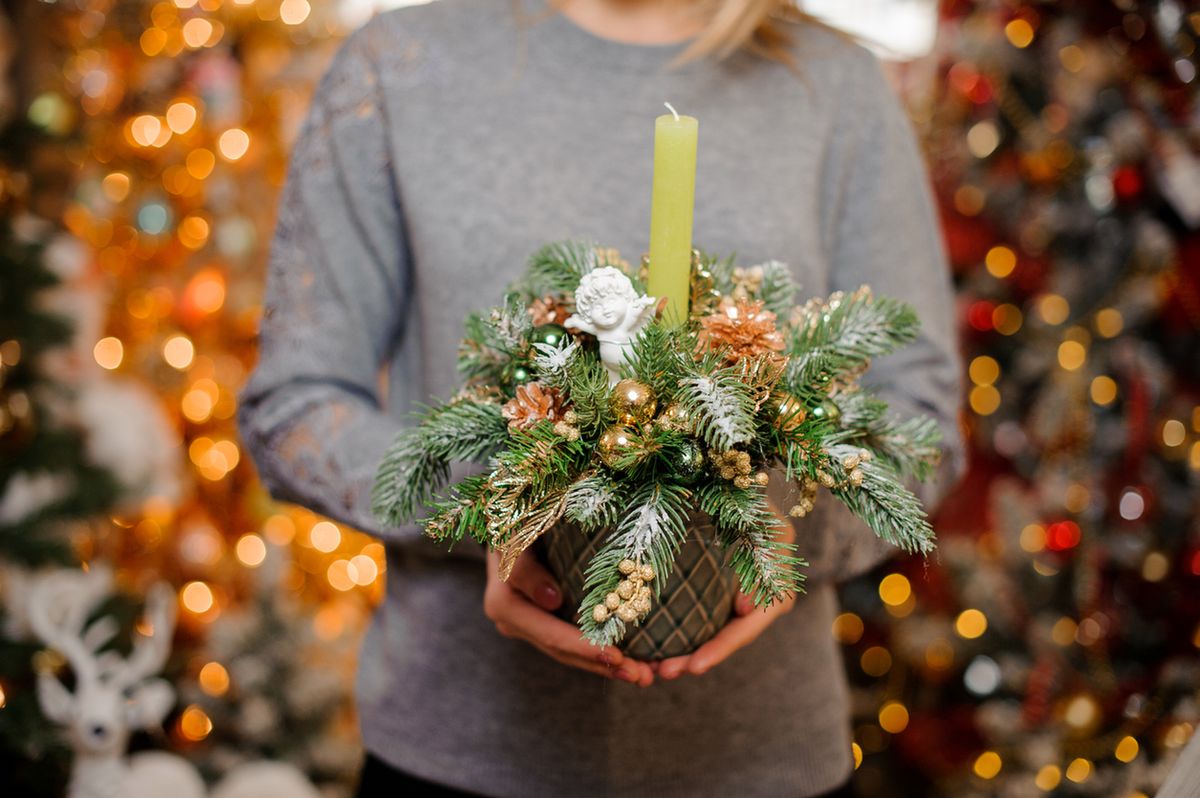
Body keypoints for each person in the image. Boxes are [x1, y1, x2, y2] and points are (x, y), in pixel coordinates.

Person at [236, 0, 967, 795]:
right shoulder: (400, 65)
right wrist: (511, 510)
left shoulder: (833, 85)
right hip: (460, 759)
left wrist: (768, 538)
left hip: (760, 764)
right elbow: (297, 405)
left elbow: (919, 414)